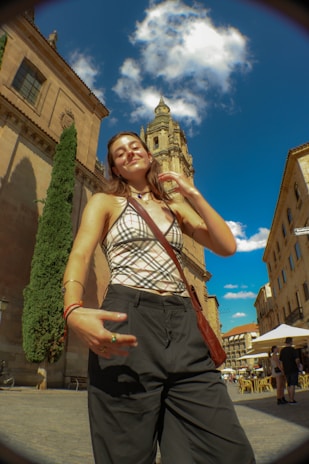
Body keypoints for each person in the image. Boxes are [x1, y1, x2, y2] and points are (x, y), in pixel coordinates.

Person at [63, 132, 255, 464]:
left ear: (149, 155)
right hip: (128, 319)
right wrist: (73, 308)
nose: (128, 153)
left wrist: (192, 193)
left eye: (134, 146)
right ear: (115, 169)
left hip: (183, 326)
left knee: (227, 450)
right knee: (126, 452)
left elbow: (226, 246)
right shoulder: (104, 202)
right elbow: (80, 254)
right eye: (118, 153)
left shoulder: (175, 207)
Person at [279, 337, 300, 404]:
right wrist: (298, 365)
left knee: (288, 384)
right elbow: (297, 360)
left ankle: (289, 398)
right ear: (291, 342)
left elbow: (281, 362)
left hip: (286, 370)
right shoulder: (293, 350)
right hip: (293, 369)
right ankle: (292, 399)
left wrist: (282, 369)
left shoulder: (282, 351)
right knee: (292, 384)